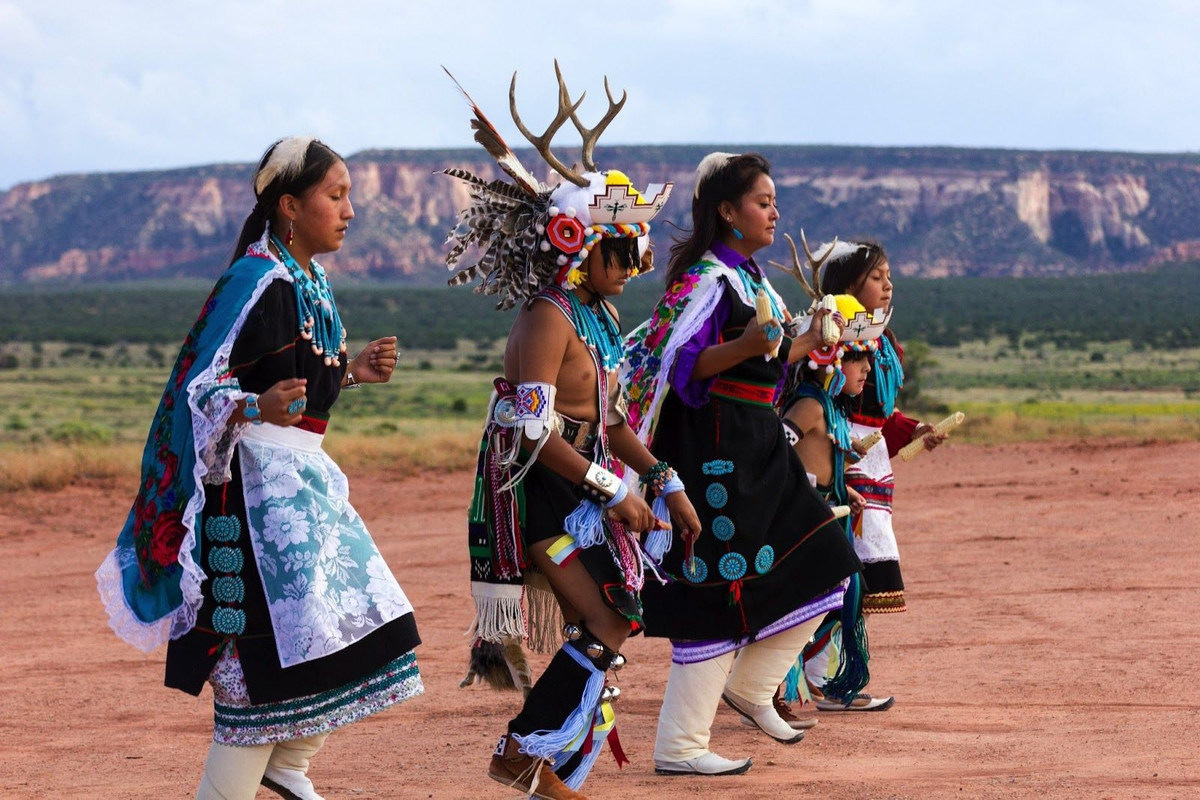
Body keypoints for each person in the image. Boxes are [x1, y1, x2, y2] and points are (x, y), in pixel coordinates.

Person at [95, 137, 423, 800]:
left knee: (366, 631)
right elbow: (197, 390)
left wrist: (350, 376)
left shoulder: (309, 280)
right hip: (249, 504)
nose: (350, 210)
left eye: (349, 195)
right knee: (256, 682)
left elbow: (296, 389)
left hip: (302, 490)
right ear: (290, 206)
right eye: (336, 195)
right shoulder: (256, 281)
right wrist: (252, 403)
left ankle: (288, 764)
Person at [442, 66, 701, 800]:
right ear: (579, 245)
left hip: (580, 486)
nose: (636, 265)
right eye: (623, 250)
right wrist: (611, 488)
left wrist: (662, 479)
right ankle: (524, 756)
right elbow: (529, 433)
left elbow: (609, 419)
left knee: (616, 615)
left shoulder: (596, 317)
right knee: (606, 614)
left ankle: (546, 766)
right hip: (540, 496)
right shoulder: (547, 319)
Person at [621, 152, 867, 777]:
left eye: (774, 201)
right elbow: (680, 368)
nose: (774, 212)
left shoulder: (750, 278)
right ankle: (678, 746)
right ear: (727, 211)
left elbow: (769, 362)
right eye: (763, 202)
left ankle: (753, 688)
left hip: (760, 446)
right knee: (716, 586)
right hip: (716, 453)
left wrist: (811, 340)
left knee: (829, 559)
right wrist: (751, 343)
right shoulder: (704, 279)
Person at [800, 238, 948, 711]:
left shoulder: (880, 343)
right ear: (847, 286)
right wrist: (836, 469)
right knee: (841, 575)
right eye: (878, 278)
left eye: (888, 277)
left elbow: (883, 413)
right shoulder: (828, 339)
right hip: (843, 461)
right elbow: (823, 407)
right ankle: (811, 680)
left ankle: (833, 679)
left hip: (872, 465)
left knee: (856, 581)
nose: (889, 286)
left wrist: (913, 428)